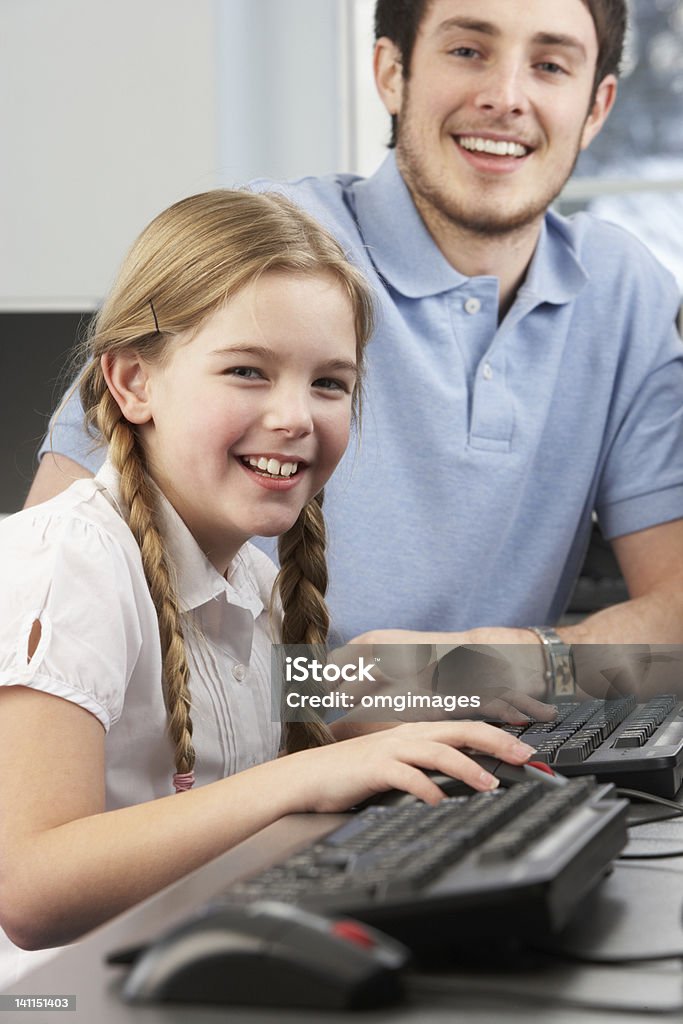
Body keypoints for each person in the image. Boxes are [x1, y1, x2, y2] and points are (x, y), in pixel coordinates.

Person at [25, 0, 683, 661]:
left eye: (548, 65)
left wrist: (486, 670)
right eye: (467, 51)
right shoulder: (264, 245)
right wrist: (352, 700)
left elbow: (674, 611)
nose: (505, 97)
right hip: (235, 754)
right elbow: (42, 607)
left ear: (596, 107)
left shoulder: (624, 289)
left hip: (485, 748)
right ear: (390, 72)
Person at [0, 189, 537, 987]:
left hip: (185, 972)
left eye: (329, 384)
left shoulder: (250, 578)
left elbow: (290, 722)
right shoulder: (67, 562)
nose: (295, 416)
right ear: (132, 382)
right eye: (248, 371)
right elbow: (31, 888)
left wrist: (409, 702)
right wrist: (299, 777)